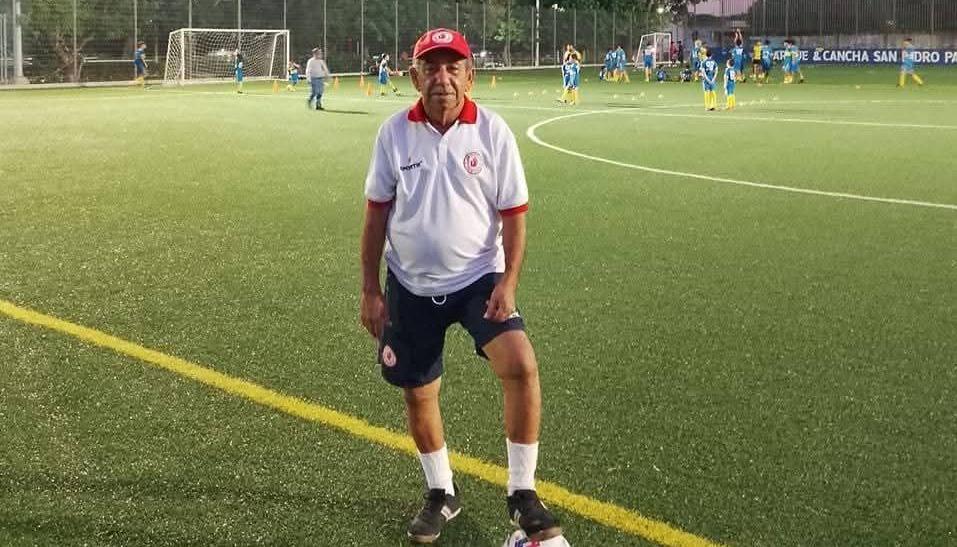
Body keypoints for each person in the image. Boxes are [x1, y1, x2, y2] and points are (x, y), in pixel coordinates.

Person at [360, 27, 563, 545]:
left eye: (453, 68)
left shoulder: (493, 132)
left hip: (479, 279)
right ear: (414, 78)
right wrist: (370, 290)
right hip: (410, 284)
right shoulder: (393, 133)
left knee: (521, 364)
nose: (442, 78)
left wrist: (509, 281)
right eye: (431, 67)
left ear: (470, 77)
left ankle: (522, 492)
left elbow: (514, 214)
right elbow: (375, 214)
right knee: (419, 390)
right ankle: (441, 491)